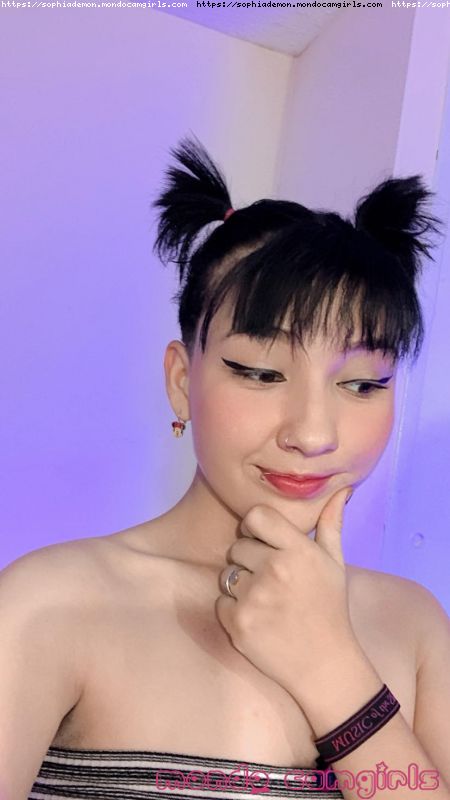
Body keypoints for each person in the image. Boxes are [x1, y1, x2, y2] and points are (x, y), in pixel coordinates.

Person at [1, 135, 449, 800]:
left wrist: (333, 670)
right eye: (261, 373)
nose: (312, 434)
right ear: (182, 381)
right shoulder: (52, 604)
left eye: (361, 383)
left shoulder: (413, 625)